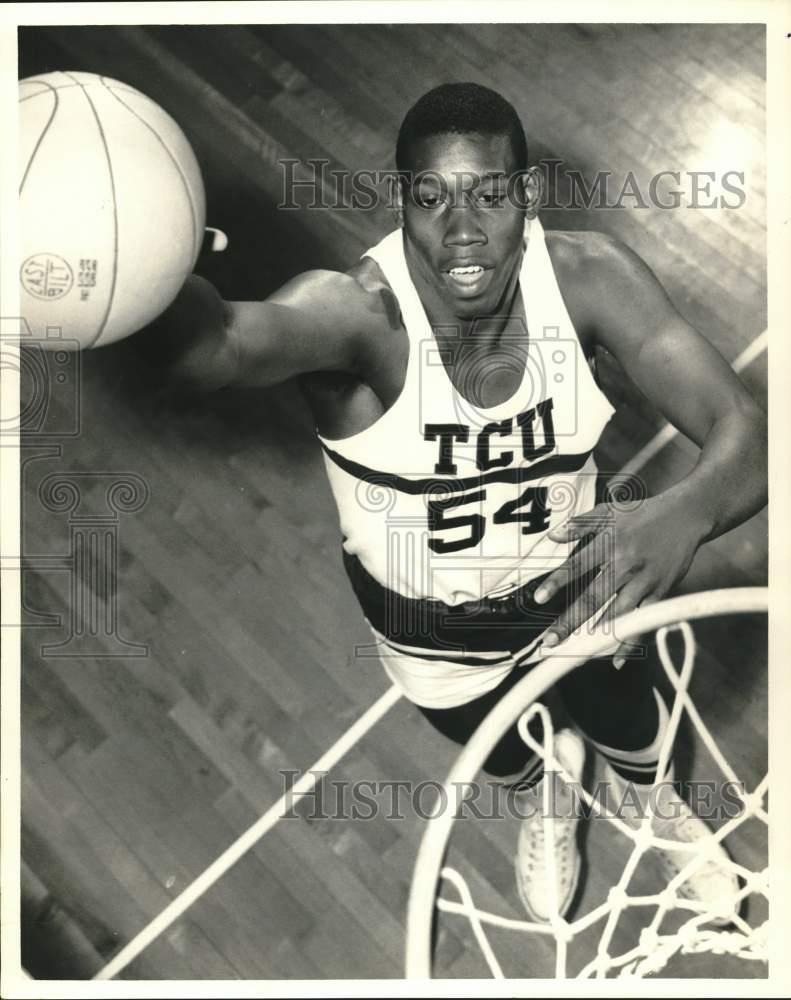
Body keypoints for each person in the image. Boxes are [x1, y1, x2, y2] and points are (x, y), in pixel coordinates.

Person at [143, 83, 767, 922]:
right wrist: (126, 255)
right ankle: (549, 798)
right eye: (431, 198)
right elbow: (211, 349)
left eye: (490, 195)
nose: (463, 228)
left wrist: (685, 511)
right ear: (402, 200)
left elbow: (743, 428)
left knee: (634, 729)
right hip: (432, 635)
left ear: (528, 196)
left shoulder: (591, 281)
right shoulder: (357, 315)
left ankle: (653, 804)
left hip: (580, 589)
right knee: (506, 758)